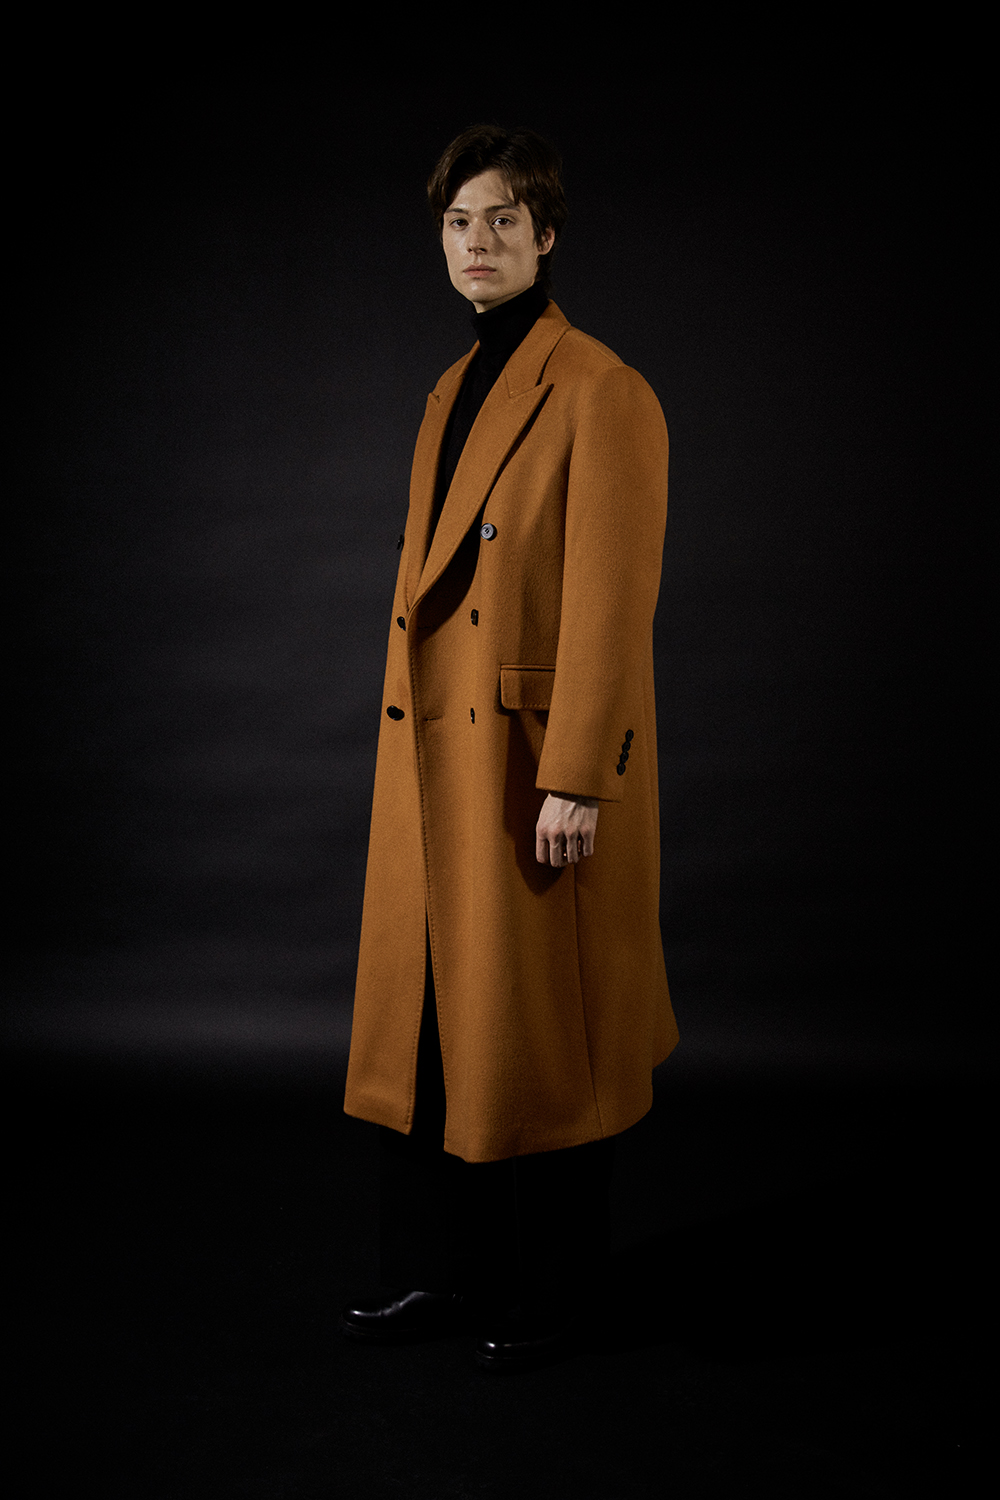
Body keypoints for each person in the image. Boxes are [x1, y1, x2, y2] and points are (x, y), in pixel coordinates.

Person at [341, 124, 678, 1369]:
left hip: (529, 766)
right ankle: (447, 1279)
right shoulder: (451, 387)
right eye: (456, 223)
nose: (475, 243)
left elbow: (611, 604)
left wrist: (577, 777)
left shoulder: (601, 389)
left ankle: (560, 1299)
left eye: (500, 220)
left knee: (544, 1037)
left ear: (545, 235)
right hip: (438, 761)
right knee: (443, 1029)